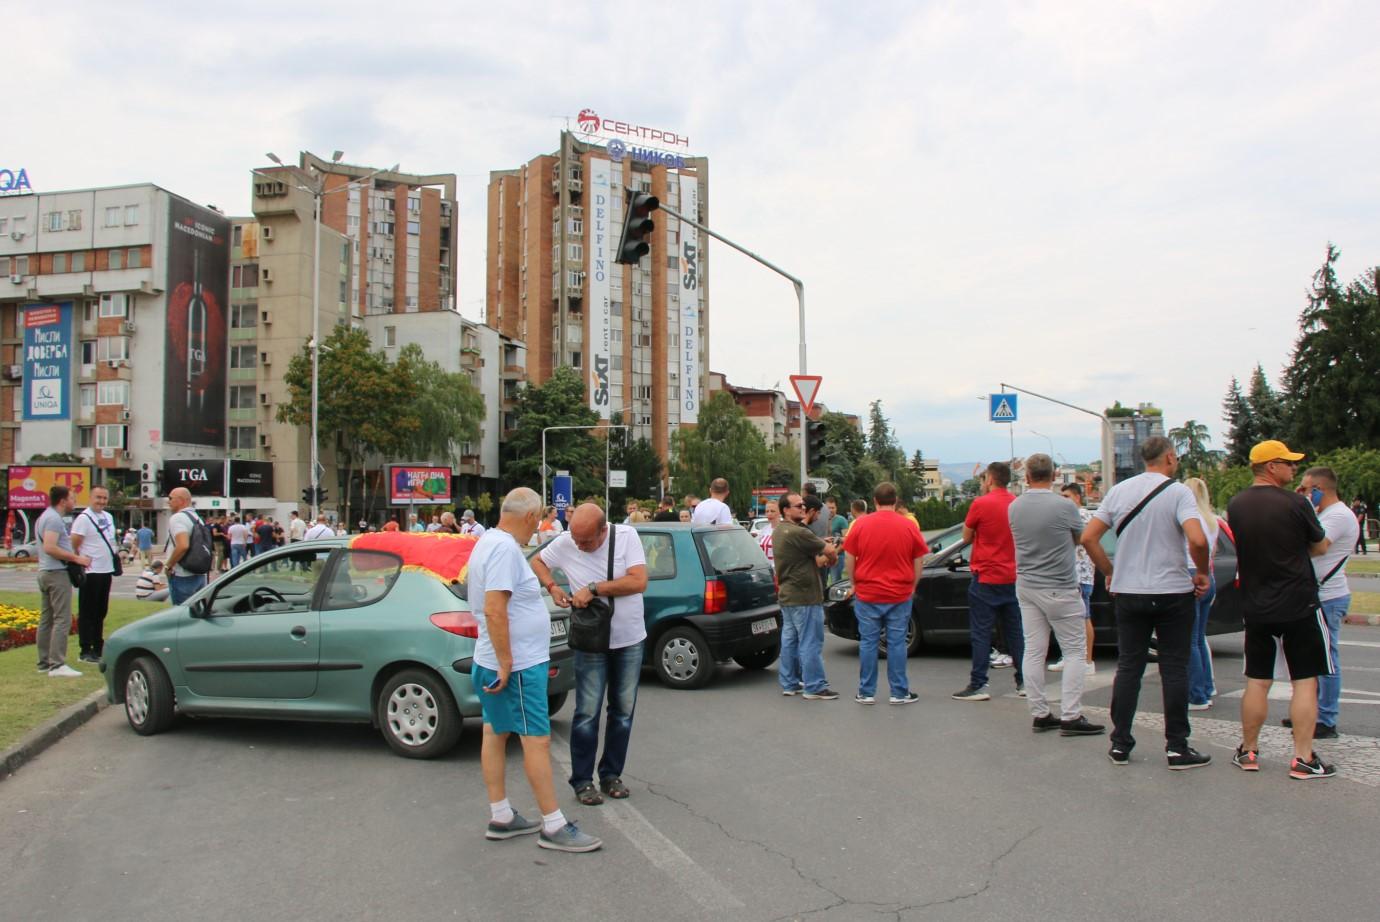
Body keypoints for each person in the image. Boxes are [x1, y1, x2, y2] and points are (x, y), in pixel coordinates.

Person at [470, 487, 601, 852]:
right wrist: (508, 661)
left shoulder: (487, 541)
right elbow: (496, 608)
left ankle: (501, 816)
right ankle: (553, 825)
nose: (536, 528)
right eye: (537, 520)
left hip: (494, 660)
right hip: (519, 666)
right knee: (536, 741)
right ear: (530, 517)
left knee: (495, 733)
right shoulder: (504, 549)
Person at [1081, 436, 1212, 769]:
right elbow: (1197, 538)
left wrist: (1110, 571)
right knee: (1174, 668)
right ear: (1169, 457)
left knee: (1129, 668)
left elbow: (1088, 537)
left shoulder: (1119, 491)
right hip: (1172, 592)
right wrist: (1201, 571)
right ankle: (1177, 747)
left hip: (1129, 592)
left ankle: (1121, 744)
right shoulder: (1179, 492)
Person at [1224, 442, 1335, 779]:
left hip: (1257, 603)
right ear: (1272, 466)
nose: (1294, 470)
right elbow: (1321, 545)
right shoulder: (1297, 502)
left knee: (1257, 680)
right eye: (1288, 463)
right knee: (1305, 681)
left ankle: (1248, 750)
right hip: (1299, 602)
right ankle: (1303, 757)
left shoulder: (1237, 504)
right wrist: (1304, 506)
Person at [532, 503, 649, 805]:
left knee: (622, 712)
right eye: (576, 539)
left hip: (629, 639)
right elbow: (538, 561)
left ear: (603, 530)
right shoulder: (567, 541)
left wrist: (594, 588)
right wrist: (553, 588)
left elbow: (638, 581)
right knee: (586, 713)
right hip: (590, 641)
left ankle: (611, 775)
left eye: (586, 541)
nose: (580, 546)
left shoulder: (626, 537)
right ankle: (582, 781)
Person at [1008, 455, 1104, 736]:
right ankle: (1071, 716)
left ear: (1026, 477)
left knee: (1034, 650)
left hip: (1027, 585)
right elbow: (1079, 539)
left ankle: (1040, 713)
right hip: (1060, 585)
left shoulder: (1015, 508)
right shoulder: (1065, 507)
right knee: (1075, 651)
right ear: (1054, 475)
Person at [843, 481, 929, 705]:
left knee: (869, 642)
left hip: (868, 592)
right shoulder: (908, 525)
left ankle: (866, 691)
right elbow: (918, 559)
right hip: (899, 593)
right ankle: (899, 692)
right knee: (897, 642)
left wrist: (854, 583)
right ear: (895, 500)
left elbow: (849, 558)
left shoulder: (861, 525)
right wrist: (913, 586)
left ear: (874, 501)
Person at [953, 462, 1025, 701]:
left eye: (984, 479)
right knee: (1015, 632)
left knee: (982, 633)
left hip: (986, 576)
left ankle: (979, 684)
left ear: (991, 480)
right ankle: (1024, 681)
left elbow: (966, 536)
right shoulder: (1017, 503)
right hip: (1013, 577)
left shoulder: (981, 504)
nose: (982, 483)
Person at [1294, 466, 1357, 740]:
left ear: (1321, 489)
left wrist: (1301, 509)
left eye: (1307, 489)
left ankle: (1326, 718)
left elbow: (1315, 545)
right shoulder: (1324, 513)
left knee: (1327, 661)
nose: (1305, 494)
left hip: (1329, 596)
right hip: (1318, 595)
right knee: (1313, 659)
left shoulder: (1338, 515)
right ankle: (1310, 712)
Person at [771, 493, 839, 700]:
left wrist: (820, 546)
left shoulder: (780, 530)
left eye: (803, 504)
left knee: (790, 640)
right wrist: (834, 554)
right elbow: (828, 551)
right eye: (798, 505)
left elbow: (807, 561)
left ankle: (790, 683)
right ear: (786, 510)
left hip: (788, 596)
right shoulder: (799, 532)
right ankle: (814, 686)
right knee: (811, 641)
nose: (803, 507)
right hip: (805, 596)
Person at [36, 485, 90, 677]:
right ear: (62, 501)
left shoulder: (45, 516)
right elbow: (50, 547)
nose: (74, 502)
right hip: (56, 573)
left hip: (45, 572)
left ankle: (44, 662)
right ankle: (57, 664)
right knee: (62, 619)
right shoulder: (53, 519)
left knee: (47, 619)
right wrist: (77, 559)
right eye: (72, 499)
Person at [1183, 478, 1221, 712]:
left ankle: (1197, 695)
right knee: (1199, 638)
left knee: (1190, 641)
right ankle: (1207, 687)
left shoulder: (1189, 520)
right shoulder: (1213, 520)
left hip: (1190, 575)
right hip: (1208, 575)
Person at [70, 485, 118, 663]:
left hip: (106, 570)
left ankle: (98, 646)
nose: (102, 501)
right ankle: (85, 648)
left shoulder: (108, 517)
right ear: (90, 498)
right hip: (91, 571)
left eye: (105, 498)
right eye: (98, 497)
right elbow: (74, 542)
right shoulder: (84, 518)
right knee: (87, 611)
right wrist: (80, 560)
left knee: (101, 611)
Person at [1052, 483, 1096, 675]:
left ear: (1077, 497)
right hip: (1068, 574)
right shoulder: (1068, 516)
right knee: (1067, 619)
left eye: (1067, 496)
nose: (1063, 500)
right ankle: (1069, 657)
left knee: (1083, 617)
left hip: (1081, 574)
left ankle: (1087, 661)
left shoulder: (1084, 516)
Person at [165, 488, 210, 605]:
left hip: (182, 574)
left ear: (181, 500)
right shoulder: (196, 517)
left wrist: (168, 565)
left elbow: (183, 545)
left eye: (170, 498)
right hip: (199, 572)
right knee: (197, 613)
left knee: (181, 615)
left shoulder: (178, 518)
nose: (168, 501)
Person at [825, 498, 848, 584]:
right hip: (824, 555)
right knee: (822, 581)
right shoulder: (820, 519)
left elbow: (846, 539)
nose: (830, 510)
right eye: (828, 508)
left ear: (836, 508)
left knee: (836, 582)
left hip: (838, 555)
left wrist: (836, 552)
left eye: (833, 508)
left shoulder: (841, 520)